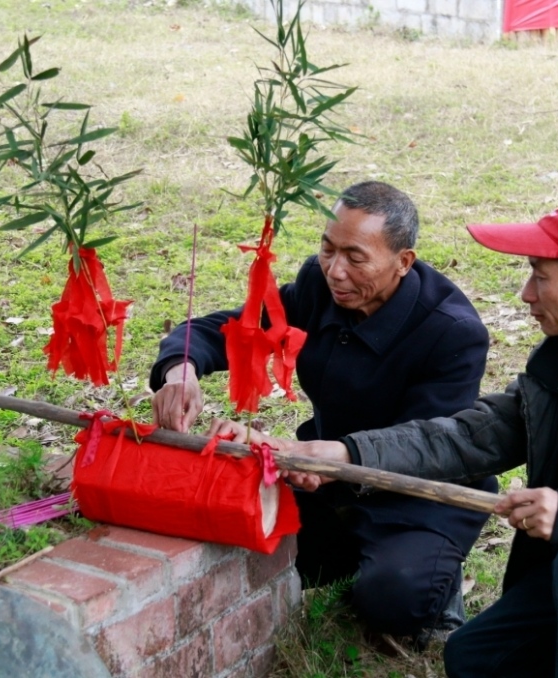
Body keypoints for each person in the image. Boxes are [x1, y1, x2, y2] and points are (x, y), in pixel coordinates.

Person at [274, 195, 558, 677]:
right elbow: (466, 436)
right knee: (475, 658)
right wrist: (348, 452)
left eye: (539, 275)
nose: (525, 294)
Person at [150, 180, 498, 646]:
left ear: (403, 261)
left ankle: (434, 576)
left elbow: (428, 447)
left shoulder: (453, 332)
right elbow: (236, 328)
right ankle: (347, 547)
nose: (335, 270)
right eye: (327, 249)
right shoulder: (319, 285)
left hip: (414, 496)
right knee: (240, 534)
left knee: (393, 601)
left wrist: (337, 462)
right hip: (321, 476)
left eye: (355, 257)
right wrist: (182, 368)